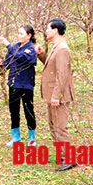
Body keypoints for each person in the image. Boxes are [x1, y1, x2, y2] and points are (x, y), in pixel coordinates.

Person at [36, 18, 76, 171]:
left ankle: (69, 159)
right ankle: (62, 155)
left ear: (55, 30)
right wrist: (42, 55)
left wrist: (56, 96)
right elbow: (53, 66)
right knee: (53, 126)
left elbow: (62, 74)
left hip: (59, 95)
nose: (46, 31)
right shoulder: (56, 47)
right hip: (52, 94)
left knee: (60, 127)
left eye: (48, 28)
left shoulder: (62, 49)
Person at [0, 25, 37, 148]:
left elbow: (22, 58)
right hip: (14, 83)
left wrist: (8, 45)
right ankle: (16, 137)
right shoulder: (15, 47)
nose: (18, 35)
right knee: (14, 110)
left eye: (21, 33)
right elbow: (8, 64)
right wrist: (1, 64)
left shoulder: (30, 49)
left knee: (28, 110)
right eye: (18, 33)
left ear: (29, 36)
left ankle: (32, 137)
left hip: (26, 84)